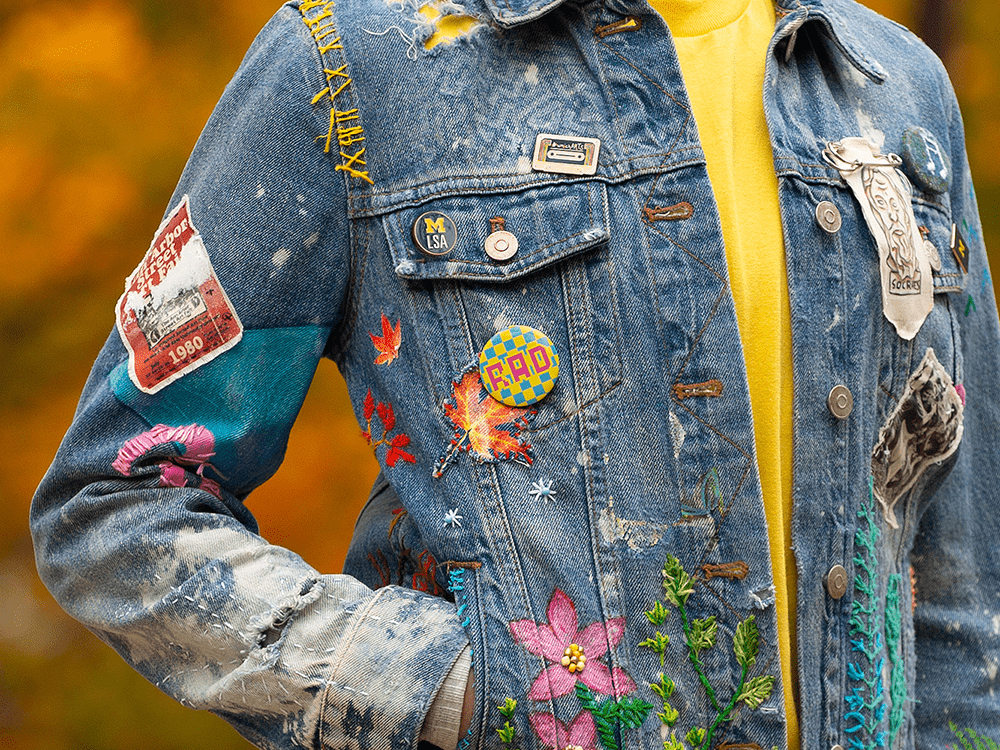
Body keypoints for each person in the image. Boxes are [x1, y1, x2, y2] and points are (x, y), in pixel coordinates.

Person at [31, 1, 999, 749]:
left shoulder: (889, 83)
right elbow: (114, 506)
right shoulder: (353, 61)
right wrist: (459, 689)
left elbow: (958, 568)